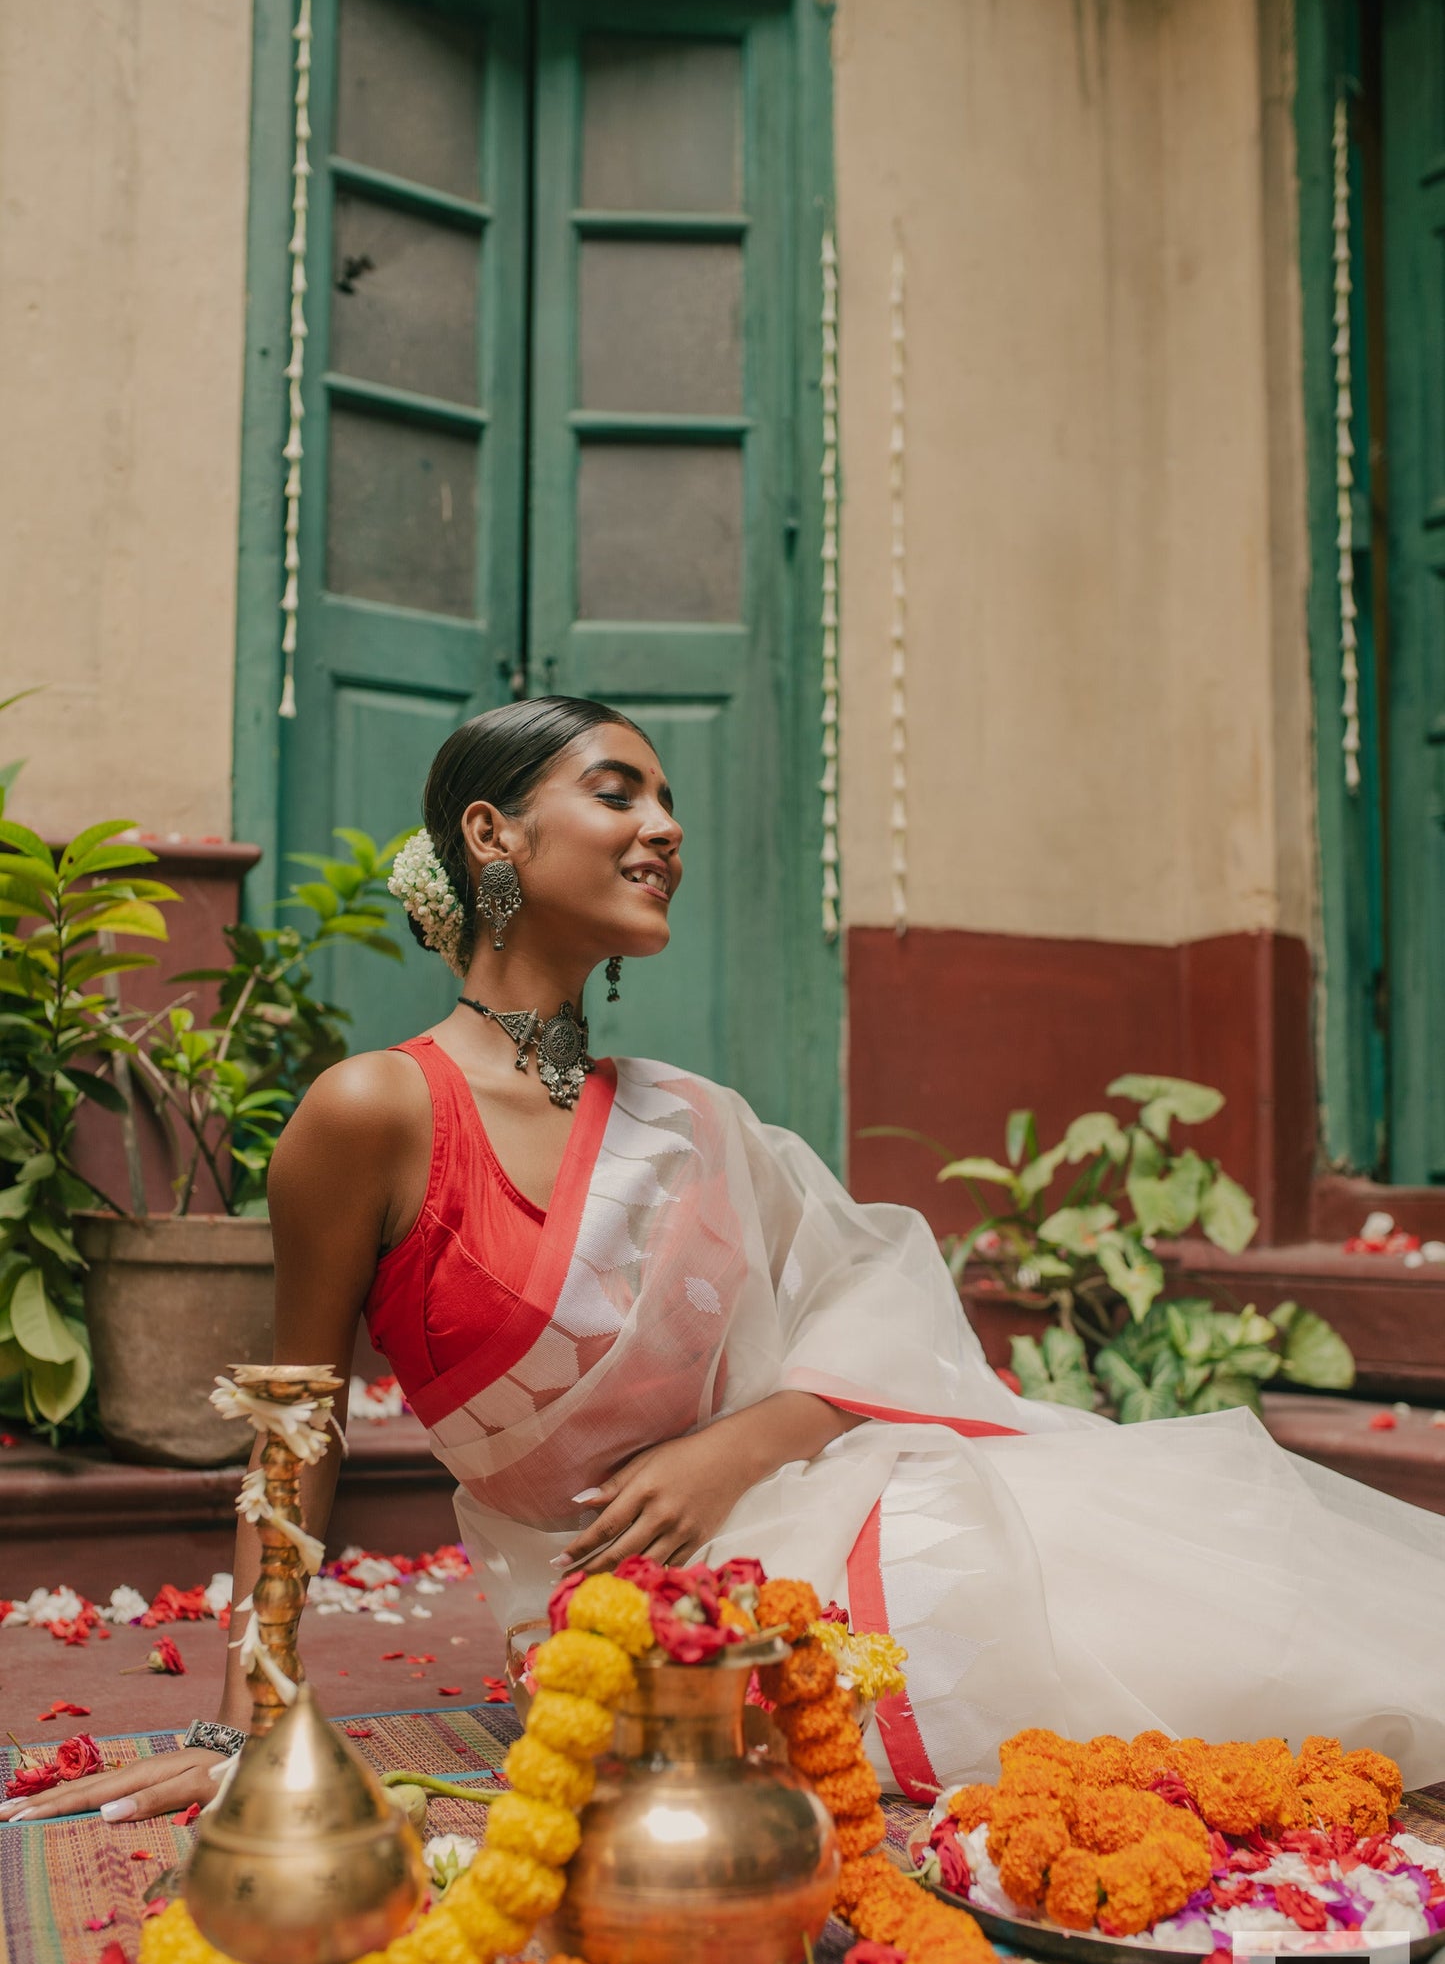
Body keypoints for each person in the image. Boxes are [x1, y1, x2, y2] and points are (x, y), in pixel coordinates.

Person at [11, 697, 1444, 1830]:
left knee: (1084, 1508)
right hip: (605, 1604)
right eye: (618, 791)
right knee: (1007, 1586)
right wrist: (244, 1717)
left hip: (794, 1508)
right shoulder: (375, 1111)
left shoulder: (694, 1118)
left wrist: (742, 1440)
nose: (665, 828)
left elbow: (875, 1287)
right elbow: (297, 1418)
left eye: (669, 799)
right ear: (492, 832)